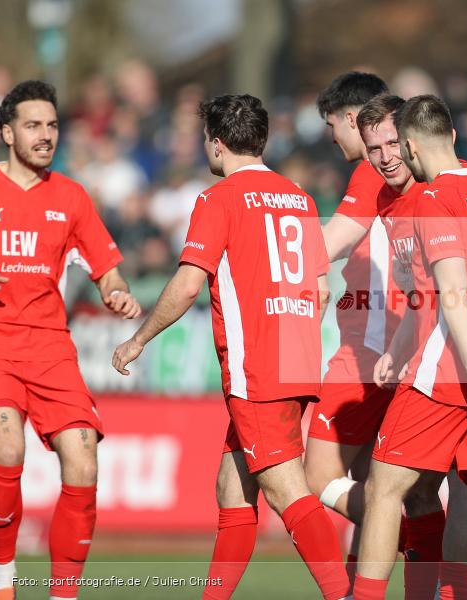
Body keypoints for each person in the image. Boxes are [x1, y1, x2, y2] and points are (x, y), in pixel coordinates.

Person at [111, 94, 349, 600]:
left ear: (217, 145)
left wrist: (137, 340)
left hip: (256, 366)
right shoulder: (299, 197)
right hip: (296, 355)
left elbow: (187, 285)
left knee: (286, 490)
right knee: (231, 486)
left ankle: (345, 594)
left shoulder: (217, 200)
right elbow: (322, 288)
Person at [354, 95, 467, 600]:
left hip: (453, 367)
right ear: (454, 138)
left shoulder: (433, 199)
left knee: (384, 488)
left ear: (410, 146)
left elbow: (452, 290)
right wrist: (399, 343)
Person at [0, 80, 141, 600]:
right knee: (5, 446)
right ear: (7, 132)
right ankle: (2, 580)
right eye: (33, 125)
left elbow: (108, 269)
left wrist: (117, 293)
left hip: (52, 348)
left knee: (83, 458)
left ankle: (63, 594)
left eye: (52, 125)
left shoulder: (72, 197)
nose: (46, 135)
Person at [305, 75, 417, 583]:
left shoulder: (373, 174)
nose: (333, 137)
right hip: (403, 345)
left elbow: (324, 246)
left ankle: (421, 546)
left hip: (371, 352)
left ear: (353, 119)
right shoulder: (422, 171)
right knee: (381, 479)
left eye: (333, 124)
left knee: (320, 476)